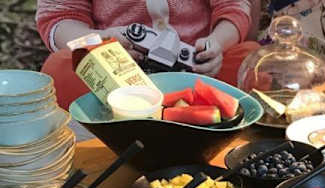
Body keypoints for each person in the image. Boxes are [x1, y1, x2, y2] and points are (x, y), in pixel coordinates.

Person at [36, 0, 260, 108]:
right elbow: (61, 16)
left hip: (199, 67)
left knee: (253, 63)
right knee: (60, 69)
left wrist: (216, 45)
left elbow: (233, 7)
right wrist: (99, 39)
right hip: (114, 67)